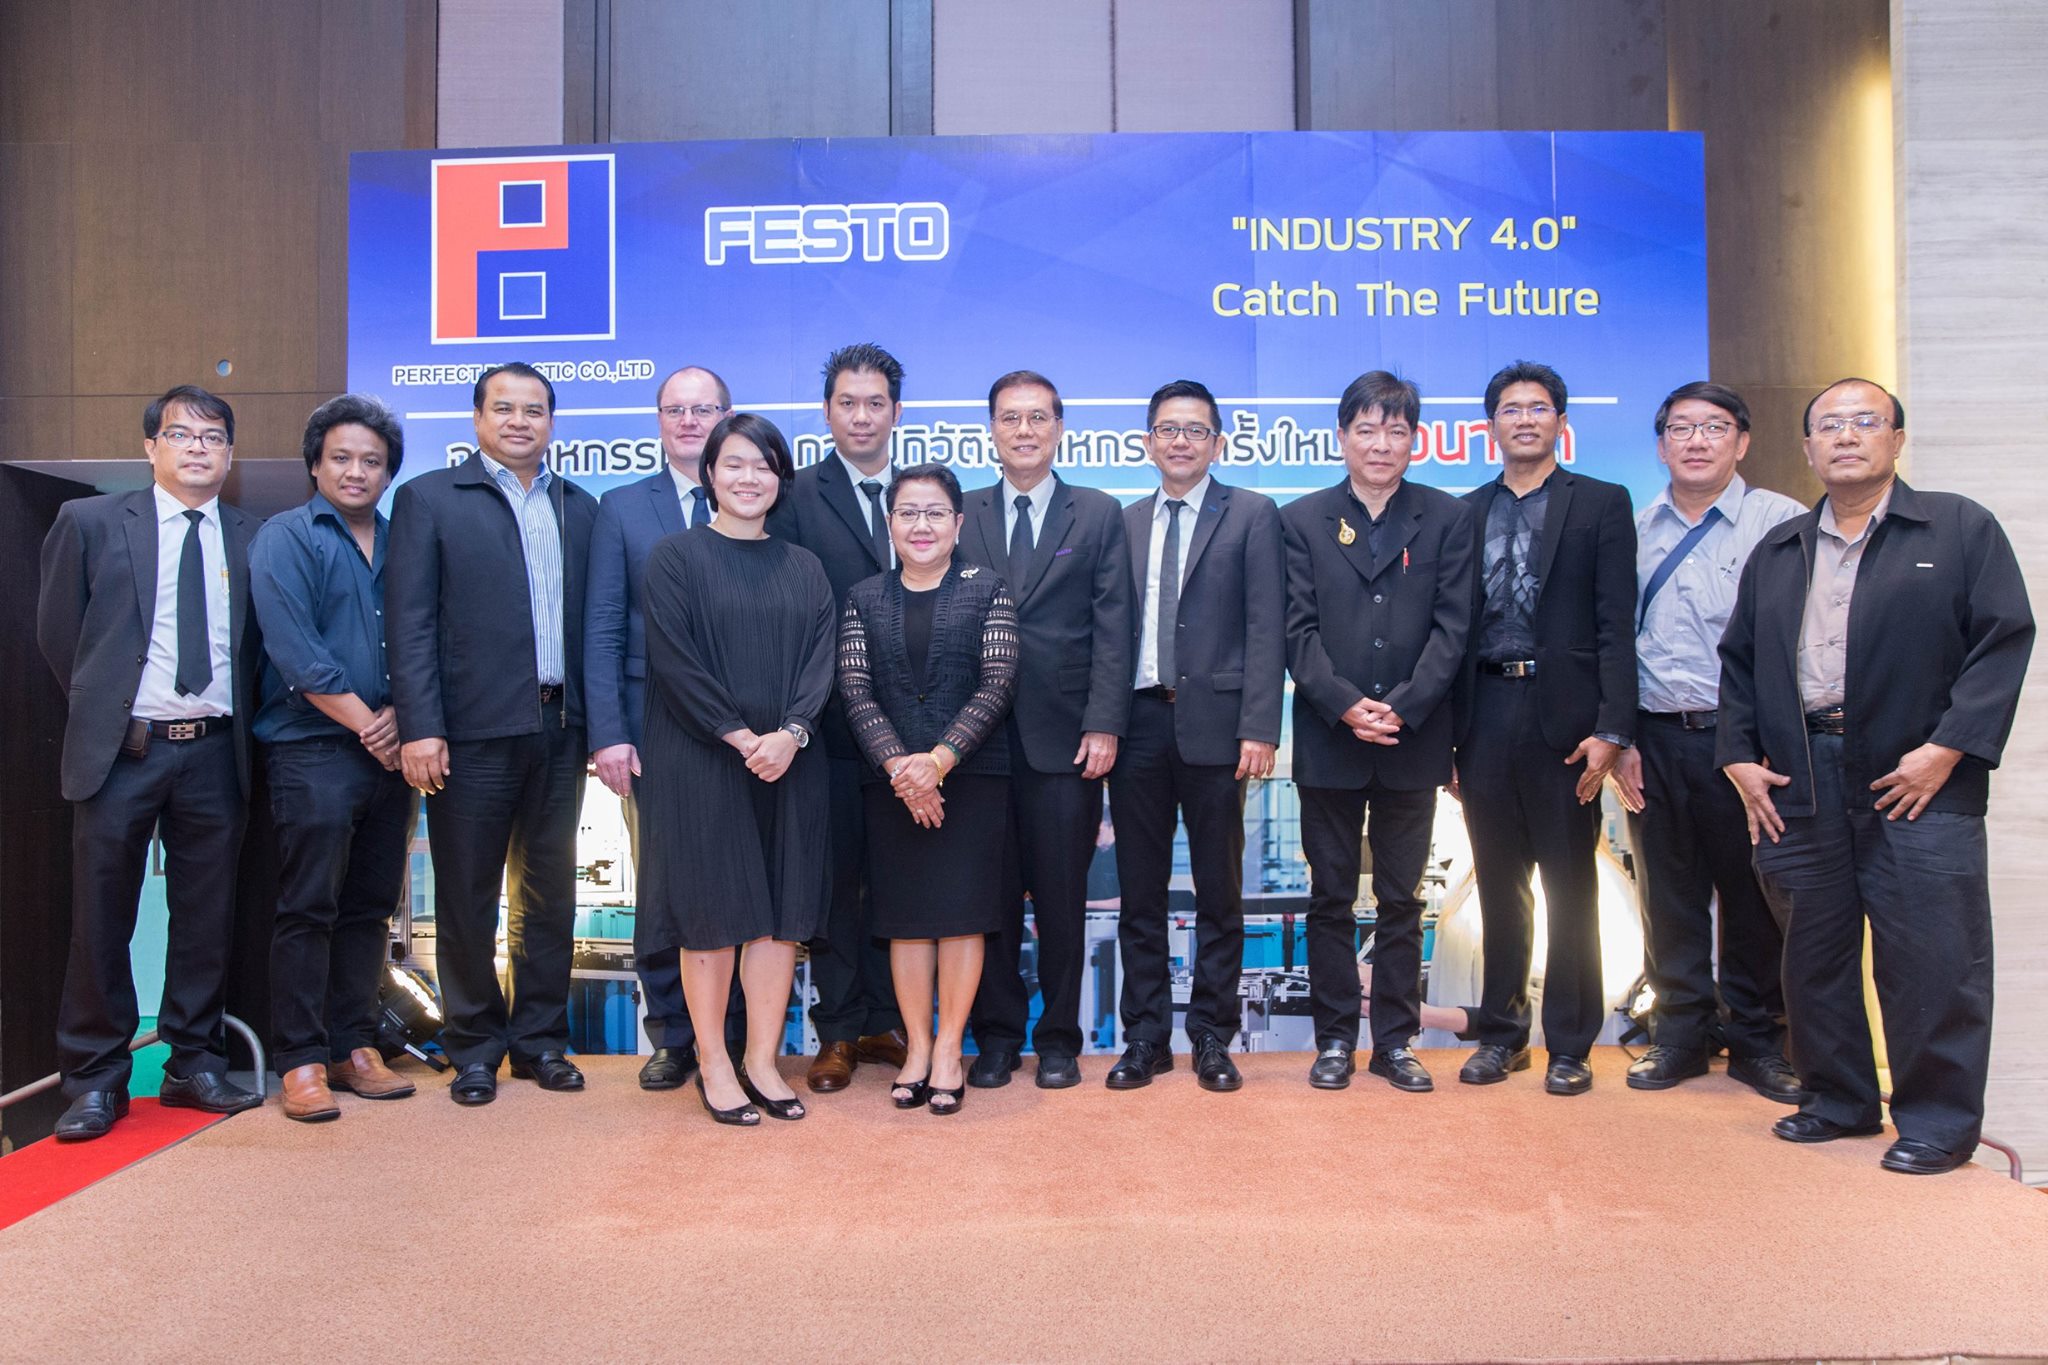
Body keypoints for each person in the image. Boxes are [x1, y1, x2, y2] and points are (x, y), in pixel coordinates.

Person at [1718, 378, 2032, 1175]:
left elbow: (2002, 641)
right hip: (1801, 776)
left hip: (1916, 775)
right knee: (1813, 951)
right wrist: (1739, 756)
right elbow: (1739, 663)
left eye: (1865, 421)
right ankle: (1838, 1098)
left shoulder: (1957, 528)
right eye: (1830, 425)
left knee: (1933, 955)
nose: (1847, 435)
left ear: (1896, 438)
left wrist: (1948, 747)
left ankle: (1936, 1123)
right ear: (1808, 448)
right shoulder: (1781, 549)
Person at [36, 385, 265, 1140]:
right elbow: (59, 635)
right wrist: (109, 713)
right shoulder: (91, 522)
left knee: (206, 918)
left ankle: (192, 1062)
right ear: (150, 447)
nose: (198, 447)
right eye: (180, 434)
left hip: (216, 752)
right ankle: (95, 1080)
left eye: (213, 436)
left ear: (230, 454)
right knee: (102, 918)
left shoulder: (254, 534)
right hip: (123, 752)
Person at [386, 362, 599, 1106]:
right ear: (477, 419)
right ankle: (474, 1046)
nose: (519, 422)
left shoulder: (579, 507)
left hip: (560, 727)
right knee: (467, 895)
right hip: (470, 735)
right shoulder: (428, 499)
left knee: (550, 896)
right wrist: (421, 726)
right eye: (503, 408)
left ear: (552, 423)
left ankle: (540, 1041)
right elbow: (410, 622)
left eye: (534, 410)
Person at [638, 412, 835, 1125]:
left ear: (780, 479)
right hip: (699, 758)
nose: (749, 478)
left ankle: (761, 1060)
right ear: (710, 474)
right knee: (710, 915)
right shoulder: (674, 557)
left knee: (779, 918)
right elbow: (676, 662)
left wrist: (790, 734)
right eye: (735, 464)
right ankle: (715, 1062)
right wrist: (742, 736)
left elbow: (821, 659)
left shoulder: (805, 566)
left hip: (790, 761)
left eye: (764, 466)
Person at [1609, 382, 1804, 1101]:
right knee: (1669, 894)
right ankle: (1680, 1036)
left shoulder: (1781, 522)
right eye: (1682, 428)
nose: (1697, 441)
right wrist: (1621, 736)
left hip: (1746, 744)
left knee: (1752, 894)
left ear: (1742, 442)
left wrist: (1771, 741)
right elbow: (1611, 642)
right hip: (1655, 738)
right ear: (1661, 446)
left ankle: (1758, 1042)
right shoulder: (1633, 529)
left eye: (1715, 427)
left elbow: (1803, 636)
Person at [1283, 371, 1475, 1091]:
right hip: (1329, 738)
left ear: (1414, 439)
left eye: (1396, 430)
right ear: (1342, 437)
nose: (1381, 444)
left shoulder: (1448, 517)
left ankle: (1395, 1041)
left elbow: (1453, 629)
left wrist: (1404, 705)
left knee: (1402, 900)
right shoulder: (1300, 519)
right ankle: (1334, 1039)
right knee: (1329, 898)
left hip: (1412, 738)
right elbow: (1294, 630)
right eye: (1366, 429)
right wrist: (1343, 704)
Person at [1455, 360, 1636, 1095]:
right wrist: (1449, 739)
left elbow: (1617, 624)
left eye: (1538, 408)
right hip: (1484, 712)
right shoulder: (1464, 511)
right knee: (1499, 889)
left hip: (1566, 720)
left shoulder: (1601, 502)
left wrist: (1613, 727)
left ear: (1561, 421)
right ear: (1491, 425)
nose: (1524, 419)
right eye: (1510, 408)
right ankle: (1503, 1037)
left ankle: (1570, 1044)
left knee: (1571, 886)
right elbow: (1451, 631)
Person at [1104, 380, 1283, 1095]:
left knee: (1220, 891)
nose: (1181, 441)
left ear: (1218, 443)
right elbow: (1110, 633)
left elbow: (1267, 626)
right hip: (1139, 725)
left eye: (1196, 430)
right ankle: (1145, 1036)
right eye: (1168, 429)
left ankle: (1212, 1033)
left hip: (1220, 728)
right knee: (1140, 895)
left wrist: (1260, 726)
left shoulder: (1253, 514)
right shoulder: (1123, 522)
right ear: (1148, 442)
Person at [958, 370, 1134, 1089]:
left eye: (1037, 417)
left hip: (1065, 740)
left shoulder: (1095, 512)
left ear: (1059, 428)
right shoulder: (961, 511)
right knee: (988, 898)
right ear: (991, 430)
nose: (1024, 430)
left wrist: (1105, 722)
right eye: (1010, 418)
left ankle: (1059, 1038)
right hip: (975, 742)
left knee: (1062, 898)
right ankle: (997, 1038)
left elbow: (1114, 626)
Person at [250, 395, 420, 1121]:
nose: (356, 471)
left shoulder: (404, 541)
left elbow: (425, 638)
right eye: (341, 457)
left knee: (370, 907)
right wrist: (370, 725)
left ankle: (354, 1046)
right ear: (315, 464)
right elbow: (295, 649)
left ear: (389, 472)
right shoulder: (286, 537)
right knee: (308, 907)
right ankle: (300, 1059)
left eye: (371, 461)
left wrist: (402, 717)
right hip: (313, 750)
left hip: (392, 754)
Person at [837, 463, 1019, 1114]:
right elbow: (854, 689)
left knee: (963, 917)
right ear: (889, 523)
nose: (922, 524)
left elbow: (998, 682)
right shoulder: (863, 597)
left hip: (972, 779)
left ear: (958, 523)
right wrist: (901, 769)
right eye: (908, 512)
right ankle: (916, 1046)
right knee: (907, 922)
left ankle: (948, 1049)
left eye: (936, 512)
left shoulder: (988, 589)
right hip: (890, 786)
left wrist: (938, 762)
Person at [583, 364, 742, 1091]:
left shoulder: (760, 496)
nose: (688, 421)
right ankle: (675, 1035)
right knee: (665, 884)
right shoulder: (622, 507)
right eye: (675, 410)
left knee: (742, 881)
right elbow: (603, 625)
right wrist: (608, 732)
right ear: (658, 421)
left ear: (727, 418)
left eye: (703, 409)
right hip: (653, 728)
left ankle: (737, 1036)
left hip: (746, 731)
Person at [769, 343, 911, 1094]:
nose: (862, 416)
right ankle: (839, 1030)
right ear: (827, 412)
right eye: (847, 403)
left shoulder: (922, 494)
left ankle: (890, 1020)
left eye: (875, 403)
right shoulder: (793, 494)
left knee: (901, 879)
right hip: (823, 726)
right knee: (834, 883)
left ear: (896, 412)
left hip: (914, 730)